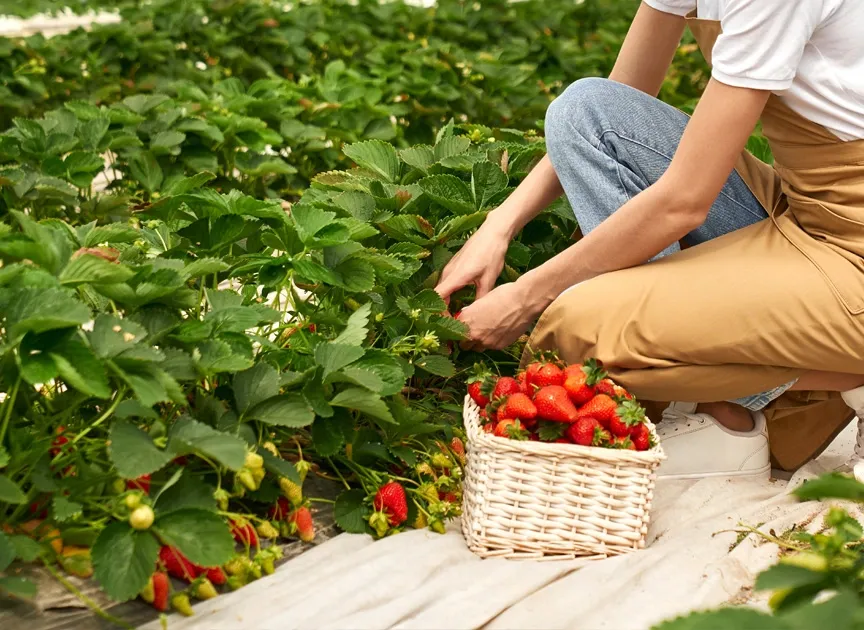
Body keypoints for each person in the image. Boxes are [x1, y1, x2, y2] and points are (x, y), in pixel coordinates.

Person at [435, 0, 864, 480]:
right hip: (806, 210)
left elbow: (683, 201)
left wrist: (526, 295)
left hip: (855, 252)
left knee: (582, 328)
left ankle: (809, 386)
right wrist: (498, 225)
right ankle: (727, 390)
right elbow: (622, 95)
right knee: (587, 110)